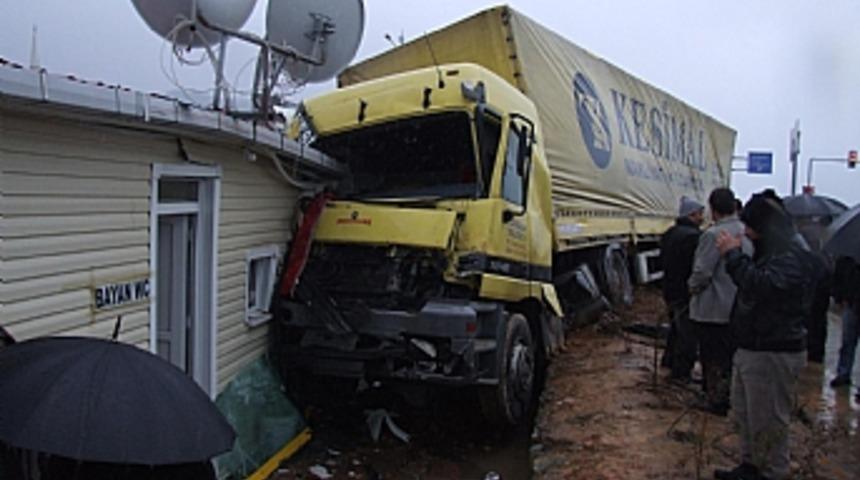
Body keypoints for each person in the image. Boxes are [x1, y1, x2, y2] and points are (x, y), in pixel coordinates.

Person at [713, 190, 816, 480]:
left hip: (774, 350)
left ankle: (772, 472)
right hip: (752, 347)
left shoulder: (792, 256)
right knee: (747, 415)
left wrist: (732, 256)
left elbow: (761, 286)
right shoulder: (771, 252)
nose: (744, 232)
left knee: (769, 420)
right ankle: (750, 466)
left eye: (749, 227)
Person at [688, 188, 751, 415]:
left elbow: (702, 272)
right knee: (730, 356)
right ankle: (731, 397)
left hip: (712, 309)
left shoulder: (713, 235)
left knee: (711, 356)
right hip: (739, 308)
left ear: (713, 210)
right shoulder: (746, 232)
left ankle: (715, 400)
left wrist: (691, 289)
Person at [660, 196, 705, 380]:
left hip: (670, 289)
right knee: (688, 333)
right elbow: (696, 267)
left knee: (676, 327)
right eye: (700, 214)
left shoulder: (670, 233)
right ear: (692, 214)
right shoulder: (694, 237)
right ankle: (681, 372)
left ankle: (669, 360)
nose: (703, 217)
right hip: (684, 290)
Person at [830, 255, 860, 387]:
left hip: (851, 301)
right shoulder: (849, 258)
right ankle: (843, 373)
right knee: (847, 341)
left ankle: (844, 373)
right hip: (852, 301)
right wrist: (839, 296)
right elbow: (840, 274)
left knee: (848, 341)